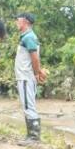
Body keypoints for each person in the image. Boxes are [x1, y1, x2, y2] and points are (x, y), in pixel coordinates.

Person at [14, 13, 47, 142]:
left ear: (26, 22)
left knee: (29, 106)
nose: (16, 23)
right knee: (28, 105)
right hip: (24, 77)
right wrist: (38, 72)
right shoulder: (27, 36)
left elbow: (35, 57)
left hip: (25, 77)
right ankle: (31, 136)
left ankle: (33, 137)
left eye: (18, 20)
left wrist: (38, 72)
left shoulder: (28, 37)